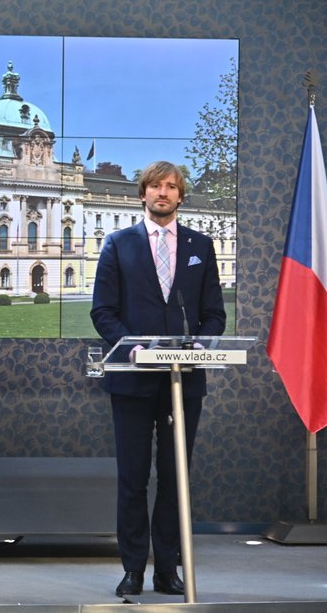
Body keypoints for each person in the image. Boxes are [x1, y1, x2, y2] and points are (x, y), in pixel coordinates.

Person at [90, 161, 226, 598]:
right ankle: (133, 568)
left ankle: (167, 568)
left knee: (174, 477)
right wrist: (130, 346)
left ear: (181, 196)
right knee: (133, 478)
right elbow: (103, 312)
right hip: (132, 380)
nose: (163, 193)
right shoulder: (118, 244)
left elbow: (215, 315)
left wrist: (202, 344)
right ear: (143, 193)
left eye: (171, 187)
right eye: (155, 186)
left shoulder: (201, 246)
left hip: (183, 382)